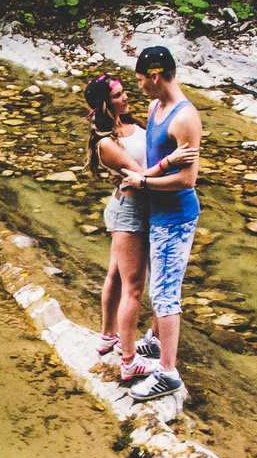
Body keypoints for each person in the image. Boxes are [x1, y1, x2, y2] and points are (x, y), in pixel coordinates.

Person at [118, 45, 201, 402]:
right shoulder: (156, 107)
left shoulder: (185, 118)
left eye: (140, 80)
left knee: (165, 295)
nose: (138, 88)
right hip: (157, 214)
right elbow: (160, 161)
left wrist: (145, 183)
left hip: (176, 215)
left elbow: (188, 180)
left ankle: (168, 374)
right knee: (157, 286)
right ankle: (154, 345)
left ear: (154, 76)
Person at [82, 74, 154, 379]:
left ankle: (108, 335)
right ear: (104, 104)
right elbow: (142, 175)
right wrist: (177, 163)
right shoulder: (106, 142)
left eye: (124, 92)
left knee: (114, 274)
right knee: (134, 287)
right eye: (117, 96)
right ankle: (128, 361)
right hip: (130, 213)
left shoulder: (129, 125)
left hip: (129, 208)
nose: (125, 98)